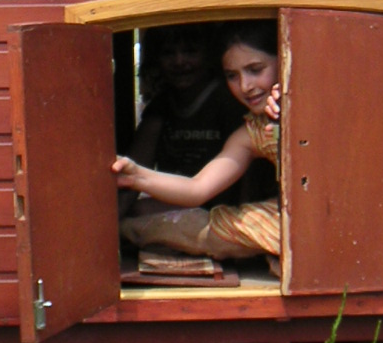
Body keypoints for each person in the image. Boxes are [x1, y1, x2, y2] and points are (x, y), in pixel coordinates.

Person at [113, 20, 281, 265]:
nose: (245, 86)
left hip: (322, 220)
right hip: (269, 222)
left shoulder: (314, 98)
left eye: (255, 70)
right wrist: (136, 176)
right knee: (211, 227)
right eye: (232, 76)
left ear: (284, 61)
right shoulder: (251, 133)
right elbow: (198, 188)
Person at [121, 24, 246, 215]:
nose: (179, 61)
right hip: (176, 198)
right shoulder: (161, 105)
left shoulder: (226, 101)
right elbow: (136, 166)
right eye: (168, 53)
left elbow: (248, 177)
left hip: (222, 205)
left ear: (210, 55)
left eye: (190, 52)